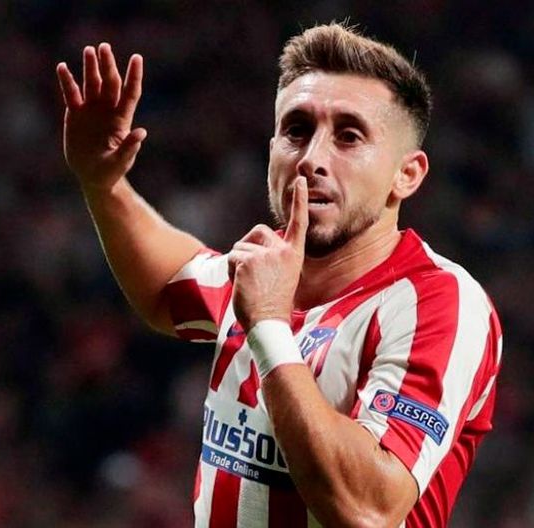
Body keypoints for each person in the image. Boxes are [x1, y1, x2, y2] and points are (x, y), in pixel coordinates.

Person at [56, 23, 503, 528]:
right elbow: (166, 288)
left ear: (407, 174)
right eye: (297, 130)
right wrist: (104, 184)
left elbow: (368, 508)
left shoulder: (438, 303)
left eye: (349, 137)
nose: (312, 159)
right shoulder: (266, 269)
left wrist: (269, 325)